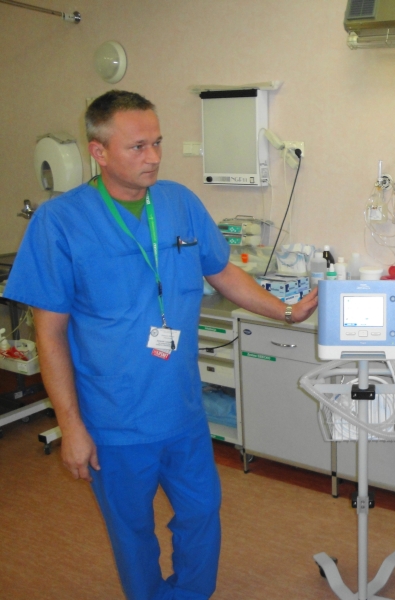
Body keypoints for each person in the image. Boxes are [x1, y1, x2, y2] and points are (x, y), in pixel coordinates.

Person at [4, 90, 318, 600]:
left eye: (157, 143)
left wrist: (286, 311)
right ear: (99, 152)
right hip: (113, 417)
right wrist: (71, 425)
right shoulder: (59, 222)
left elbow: (222, 272)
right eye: (138, 147)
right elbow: (50, 333)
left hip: (180, 409)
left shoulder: (178, 203)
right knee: (132, 530)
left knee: (201, 511)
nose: (153, 157)